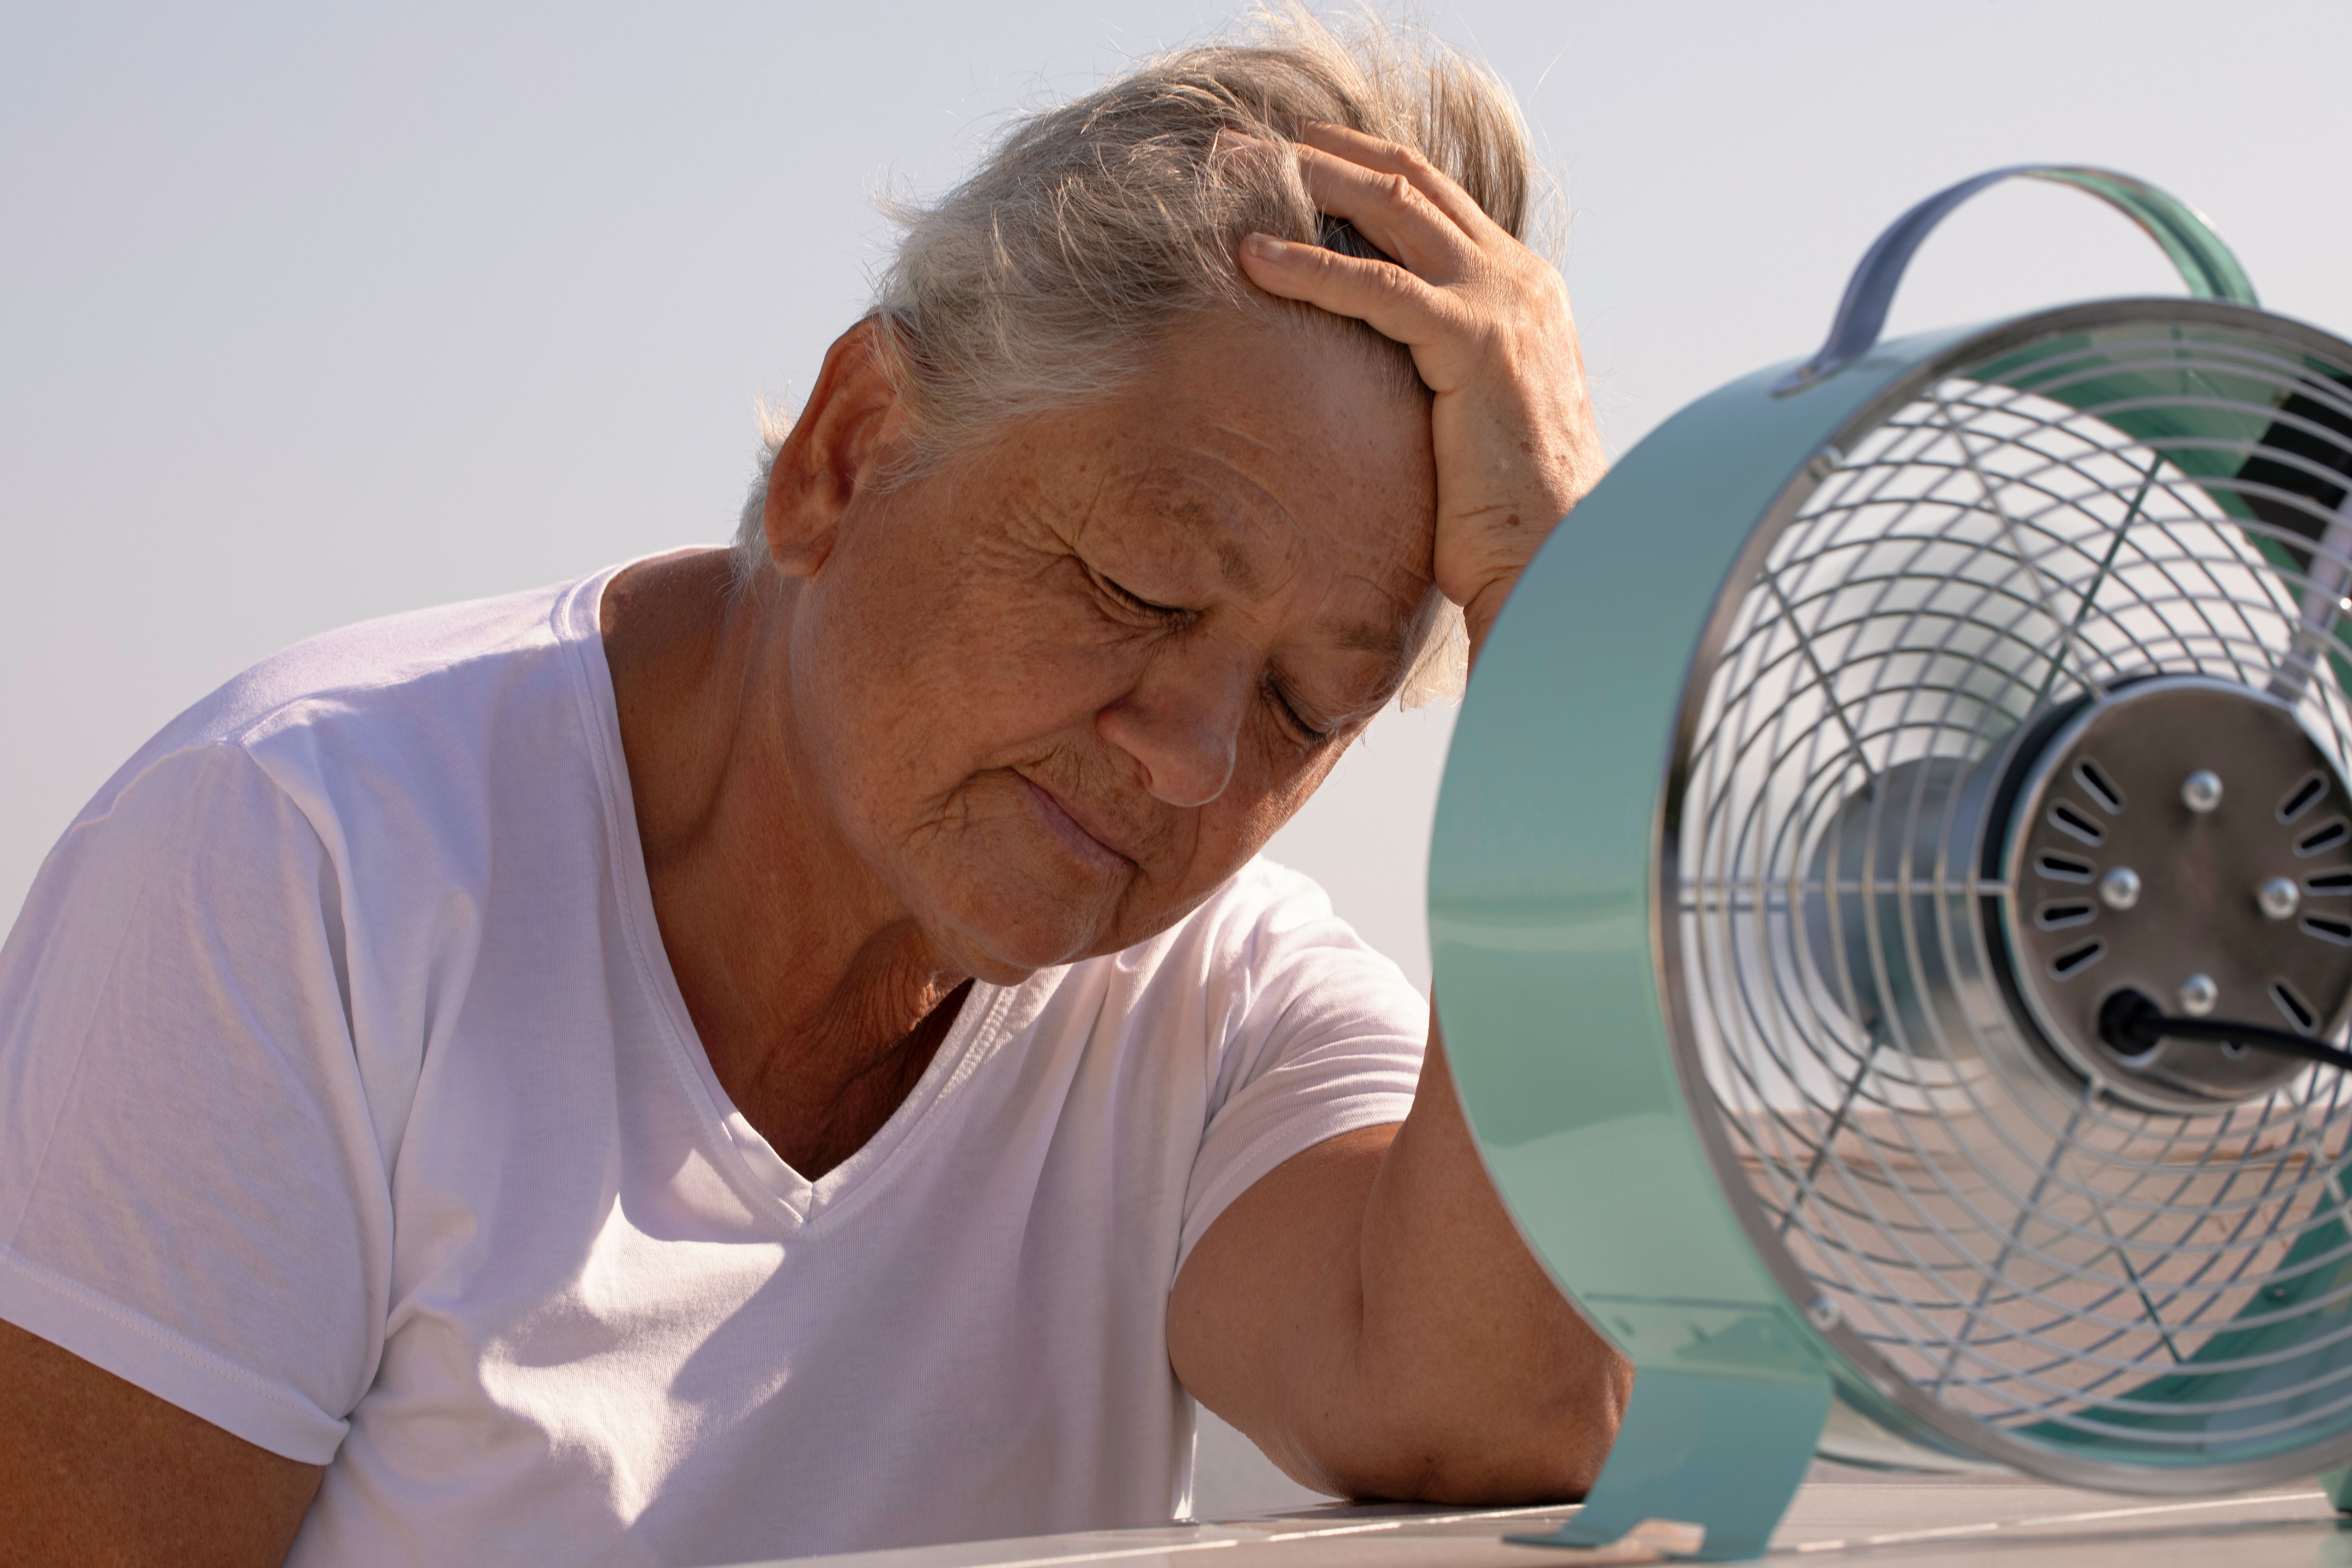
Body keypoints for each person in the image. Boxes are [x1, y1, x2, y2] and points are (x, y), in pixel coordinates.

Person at [0, 9, 1627, 1565]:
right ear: (846, 453)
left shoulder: (1222, 1008)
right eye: (1141, 591)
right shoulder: (300, 860)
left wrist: (1568, 622)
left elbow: (1505, 1412)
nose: (1195, 755)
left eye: (1303, 703)